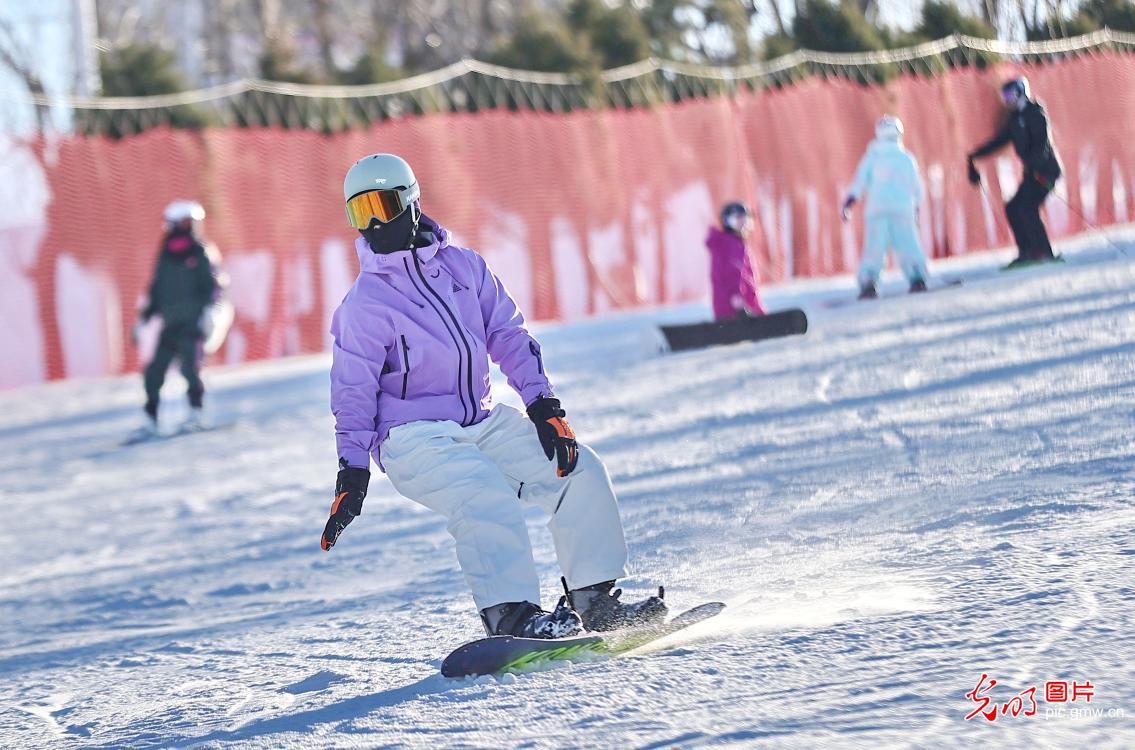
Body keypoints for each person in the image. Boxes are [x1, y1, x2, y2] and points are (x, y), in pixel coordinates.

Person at [321, 153, 667, 640]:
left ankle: (595, 599)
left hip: (480, 422)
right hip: (411, 438)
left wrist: (544, 407)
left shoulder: (465, 268)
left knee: (577, 469)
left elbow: (507, 334)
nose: (375, 223)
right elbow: (351, 392)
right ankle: (511, 615)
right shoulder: (365, 305)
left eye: (383, 205)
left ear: (412, 202)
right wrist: (352, 469)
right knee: (480, 492)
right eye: (361, 213)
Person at [132, 200, 221, 434]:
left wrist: (210, 311)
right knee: (154, 372)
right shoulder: (166, 254)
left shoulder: (201, 251)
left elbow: (213, 285)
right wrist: (145, 318)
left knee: (191, 368)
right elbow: (157, 288)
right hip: (171, 323)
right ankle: (150, 418)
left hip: (192, 323)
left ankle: (196, 412)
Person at [967, 76, 1063, 268]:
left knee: (1027, 207)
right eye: (1005, 96)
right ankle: (1027, 251)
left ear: (1021, 93)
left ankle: (1043, 251)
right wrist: (975, 155)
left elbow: (1042, 145)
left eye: (1010, 95)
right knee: (1013, 207)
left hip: (1046, 171)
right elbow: (1000, 140)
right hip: (1031, 173)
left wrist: (1035, 167)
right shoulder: (1015, 118)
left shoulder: (1036, 113)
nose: (1007, 100)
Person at [841, 114, 930, 299]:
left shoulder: (872, 157)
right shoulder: (906, 159)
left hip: (877, 211)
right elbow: (917, 187)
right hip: (902, 210)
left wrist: (849, 202)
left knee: (874, 248)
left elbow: (859, 183)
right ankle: (917, 278)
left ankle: (868, 282)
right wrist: (916, 207)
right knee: (908, 245)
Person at [706, 202, 766, 320]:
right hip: (734, 309)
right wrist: (736, 298)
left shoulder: (736, 243)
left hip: (743, 307)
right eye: (737, 220)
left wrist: (758, 310)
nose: (742, 224)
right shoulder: (731, 244)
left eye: (745, 220)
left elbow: (748, 282)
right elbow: (731, 273)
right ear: (727, 222)